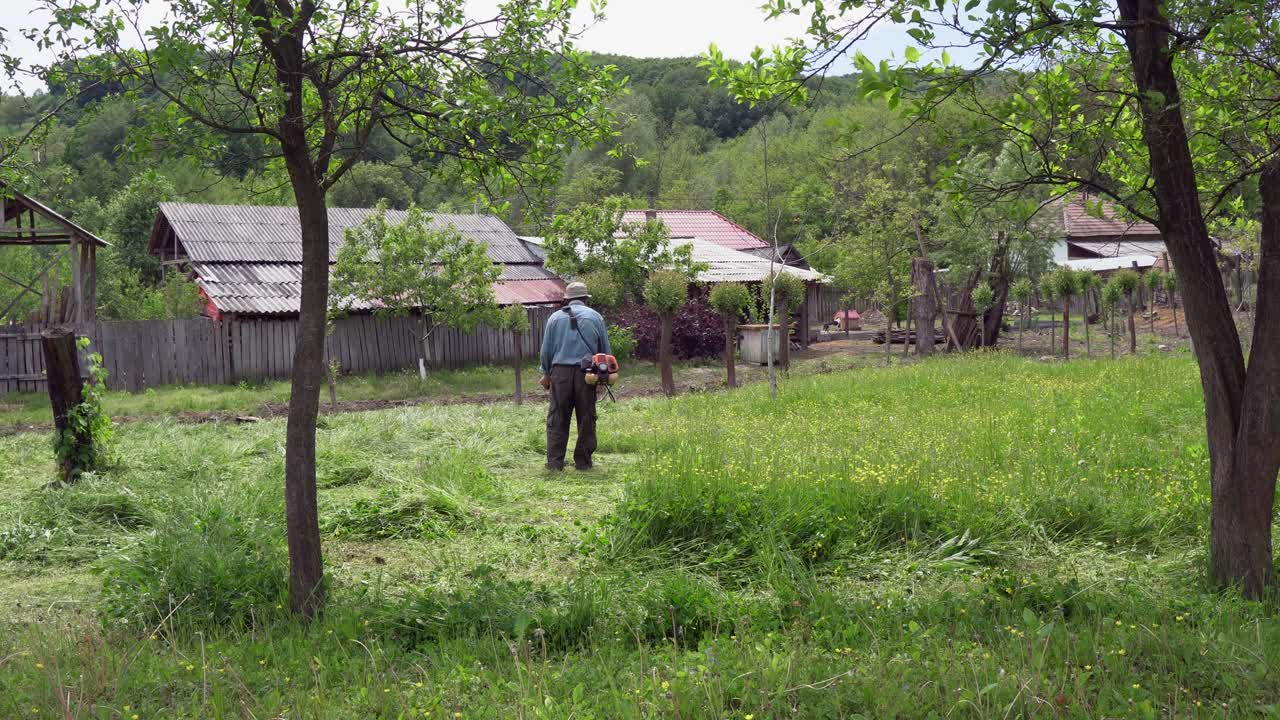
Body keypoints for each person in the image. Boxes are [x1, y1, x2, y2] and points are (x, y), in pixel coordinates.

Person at [539, 281, 611, 471]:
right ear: (586, 299)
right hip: (586, 375)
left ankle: (554, 463)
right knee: (587, 417)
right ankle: (583, 462)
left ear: (567, 299)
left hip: (560, 373)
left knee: (557, 417)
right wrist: (604, 376)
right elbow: (604, 351)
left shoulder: (554, 319)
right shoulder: (596, 318)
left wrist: (546, 373)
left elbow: (546, 351)